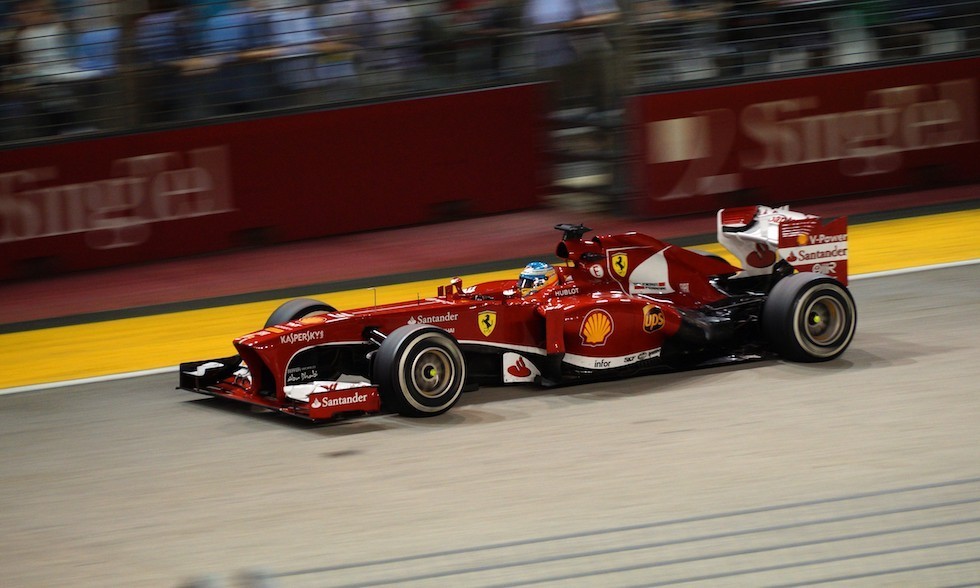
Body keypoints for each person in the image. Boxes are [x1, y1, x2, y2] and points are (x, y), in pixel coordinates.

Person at [523, 0, 621, 112]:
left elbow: (612, 14)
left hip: (589, 42)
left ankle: (603, 108)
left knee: (599, 76)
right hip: (562, 46)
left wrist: (576, 23)